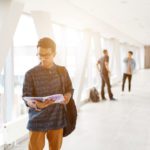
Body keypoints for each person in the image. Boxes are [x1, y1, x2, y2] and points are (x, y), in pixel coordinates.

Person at [22, 37, 73, 150]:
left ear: (54, 53)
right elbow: (26, 97)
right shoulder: (30, 74)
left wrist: (68, 96)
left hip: (57, 119)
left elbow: (69, 88)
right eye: (40, 55)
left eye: (47, 55)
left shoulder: (62, 71)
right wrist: (36, 104)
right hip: (37, 120)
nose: (43, 58)